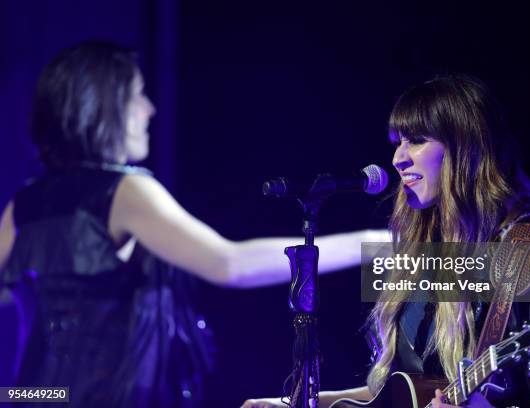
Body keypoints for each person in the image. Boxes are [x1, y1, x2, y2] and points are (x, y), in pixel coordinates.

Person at [0, 41, 385, 407]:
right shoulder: (125, 189)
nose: (149, 109)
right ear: (105, 105)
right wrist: (373, 244)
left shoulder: (23, 203)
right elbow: (229, 263)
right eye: (137, 94)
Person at [242, 75, 530, 407]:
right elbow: (395, 393)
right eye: (397, 143)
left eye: (416, 141)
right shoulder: (412, 260)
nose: (398, 159)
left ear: (466, 148)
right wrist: (291, 404)